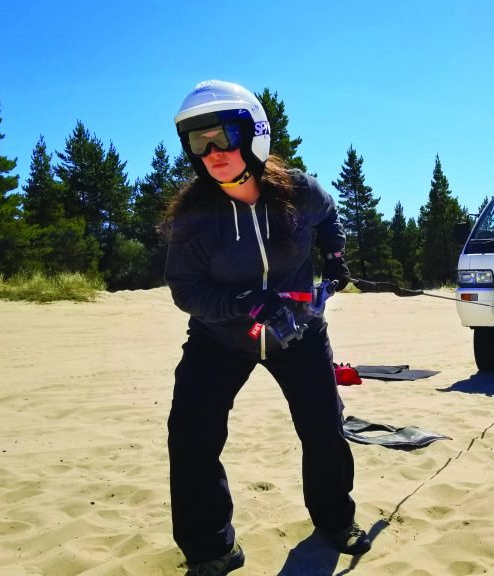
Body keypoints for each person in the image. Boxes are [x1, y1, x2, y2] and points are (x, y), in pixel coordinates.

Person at [163, 80, 370, 576]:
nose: (212, 152)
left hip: (299, 336)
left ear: (254, 134)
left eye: (222, 137)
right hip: (219, 341)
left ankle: (334, 521)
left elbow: (328, 217)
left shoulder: (299, 191)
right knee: (190, 435)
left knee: (323, 426)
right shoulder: (193, 218)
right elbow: (185, 291)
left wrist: (336, 255)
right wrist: (245, 303)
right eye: (198, 142)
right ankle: (210, 549)